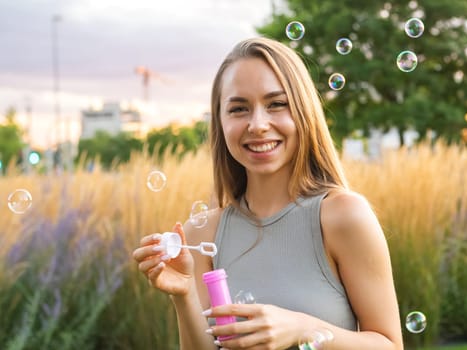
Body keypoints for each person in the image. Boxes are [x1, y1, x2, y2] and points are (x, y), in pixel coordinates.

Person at [133, 36, 404, 350]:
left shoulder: (343, 215)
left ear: (303, 113)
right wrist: (183, 295)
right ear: (220, 122)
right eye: (238, 109)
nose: (258, 125)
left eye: (276, 104)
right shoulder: (200, 233)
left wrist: (303, 328)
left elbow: (389, 345)